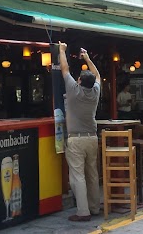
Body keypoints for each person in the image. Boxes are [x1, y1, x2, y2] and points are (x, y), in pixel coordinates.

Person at [58, 42, 101, 222]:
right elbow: (97, 74)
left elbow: (64, 69)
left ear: (80, 82)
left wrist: (61, 50)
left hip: (76, 139)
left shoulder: (75, 92)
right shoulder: (95, 91)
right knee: (92, 173)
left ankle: (83, 212)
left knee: (78, 176)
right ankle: (94, 207)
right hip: (92, 138)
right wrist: (87, 58)